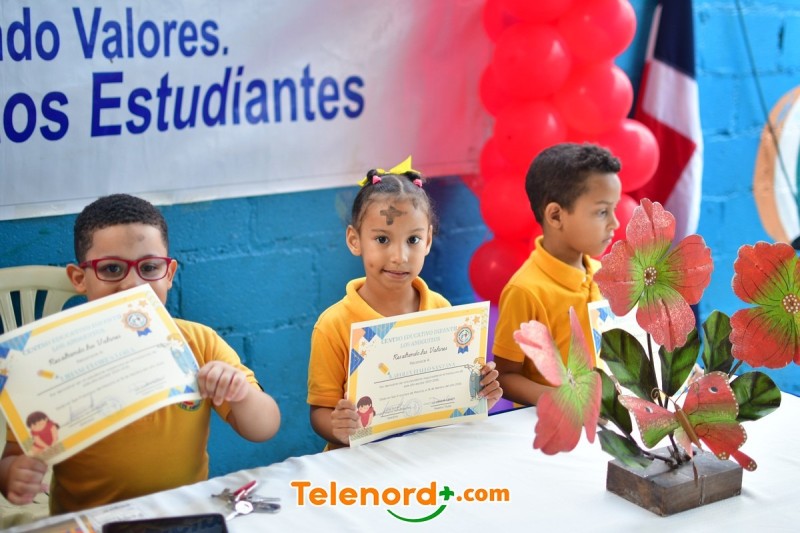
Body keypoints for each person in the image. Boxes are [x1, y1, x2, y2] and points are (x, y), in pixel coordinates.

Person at [0, 194, 281, 514]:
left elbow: (264, 428)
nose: (133, 284)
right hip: (87, 522)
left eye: (149, 267)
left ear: (169, 274)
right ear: (79, 278)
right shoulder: (46, 362)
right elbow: (12, 458)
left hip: (179, 515)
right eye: (111, 269)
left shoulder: (198, 343)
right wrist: (12, 476)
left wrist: (240, 393)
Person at [307, 159, 502, 450]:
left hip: (427, 456)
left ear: (428, 241)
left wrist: (480, 394)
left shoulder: (441, 310)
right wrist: (337, 427)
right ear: (354, 240)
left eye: (413, 239)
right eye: (382, 239)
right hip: (361, 464)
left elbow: (452, 398)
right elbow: (319, 411)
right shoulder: (333, 324)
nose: (400, 256)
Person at [493, 143, 621, 406]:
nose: (615, 223)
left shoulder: (605, 276)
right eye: (602, 212)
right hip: (552, 424)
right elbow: (505, 377)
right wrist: (564, 401)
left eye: (614, 209)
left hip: (607, 419)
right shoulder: (525, 291)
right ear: (555, 216)